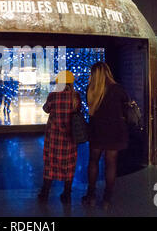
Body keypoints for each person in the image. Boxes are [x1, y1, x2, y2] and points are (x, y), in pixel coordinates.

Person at [83, 62, 130, 210]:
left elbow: (91, 109)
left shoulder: (90, 89)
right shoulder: (118, 89)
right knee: (111, 165)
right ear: (107, 72)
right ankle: (107, 200)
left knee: (93, 162)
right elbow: (125, 107)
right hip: (115, 131)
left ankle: (90, 196)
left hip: (97, 131)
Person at [38, 70, 81, 203]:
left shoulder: (53, 96)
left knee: (50, 164)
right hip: (70, 138)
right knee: (69, 164)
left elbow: (45, 109)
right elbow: (78, 112)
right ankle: (67, 194)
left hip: (54, 138)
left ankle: (45, 193)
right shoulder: (75, 97)